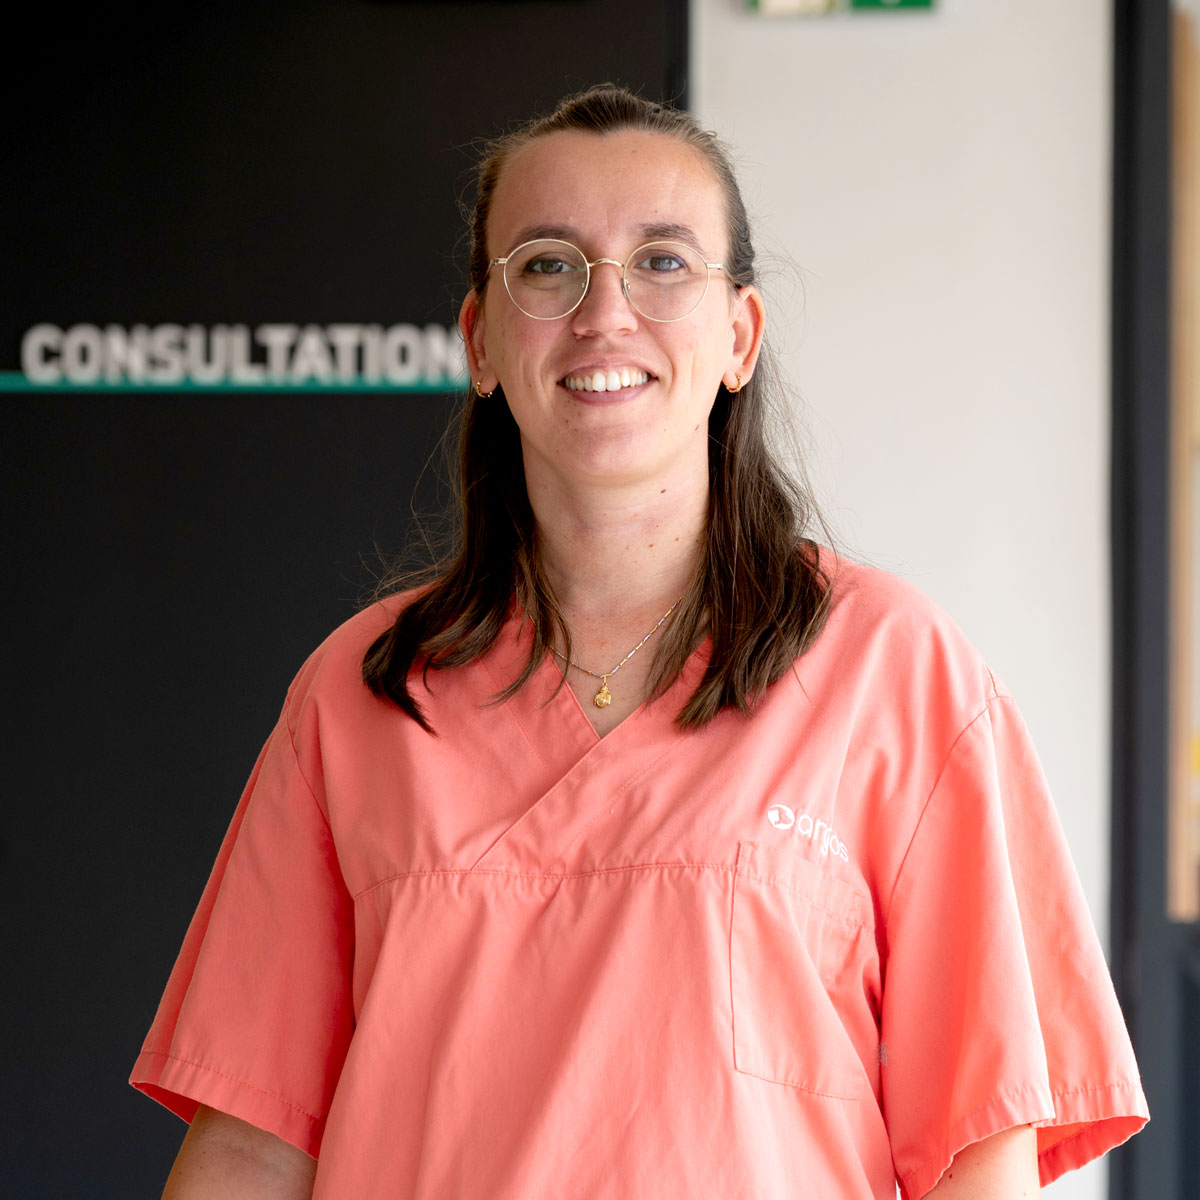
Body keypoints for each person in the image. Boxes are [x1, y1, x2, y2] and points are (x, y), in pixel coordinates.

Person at [132, 85, 1148, 1199]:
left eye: (662, 262)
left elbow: (980, 1148)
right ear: (480, 341)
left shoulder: (894, 668)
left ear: (738, 337)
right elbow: (253, 1142)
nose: (604, 313)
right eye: (547, 265)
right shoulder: (359, 692)